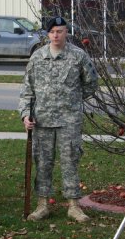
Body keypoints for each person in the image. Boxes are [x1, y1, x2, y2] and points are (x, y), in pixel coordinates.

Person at [18, 16, 98, 222]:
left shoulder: (78, 56)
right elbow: (27, 90)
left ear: (66, 32)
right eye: (52, 31)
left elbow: (91, 83)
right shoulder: (37, 57)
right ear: (47, 34)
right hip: (42, 120)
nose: (56, 35)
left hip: (69, 120)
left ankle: (73, 206)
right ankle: (42, 204)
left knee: (70, 160)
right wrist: (26, 115)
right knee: (43, 162)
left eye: (60, 31)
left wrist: (72, 99)